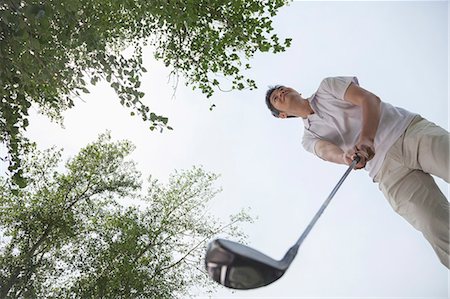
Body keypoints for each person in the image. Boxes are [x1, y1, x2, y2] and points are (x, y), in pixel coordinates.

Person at [265, 76, 449, 268]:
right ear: (282, 115)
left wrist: (367, 139)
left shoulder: (327, 87)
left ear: (295, 89)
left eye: (282, 88)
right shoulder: (308, 138)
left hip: (408, 132)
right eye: (276, 98)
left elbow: (369, 100)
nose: (281, 93)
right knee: (434, 226)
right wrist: (345, 157)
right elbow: (327, 151)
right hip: (385, 171)